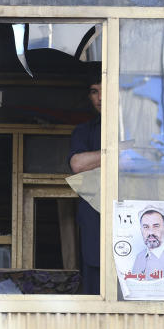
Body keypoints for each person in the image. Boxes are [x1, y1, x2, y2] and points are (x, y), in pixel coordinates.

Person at [68, 69, 102, 294]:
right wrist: (121, 153)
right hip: (95, 221)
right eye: (94, 91)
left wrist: (98, 159)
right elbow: (78, 164)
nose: (100, 97)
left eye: (105, 90)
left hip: (137, 218)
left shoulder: (136, 127)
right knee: (96, 290)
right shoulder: (84, 131)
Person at [129, 206, 164, 279]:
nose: (151, 232)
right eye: (146, 227)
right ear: (141, 230)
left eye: (156, 226)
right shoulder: (139, 257)